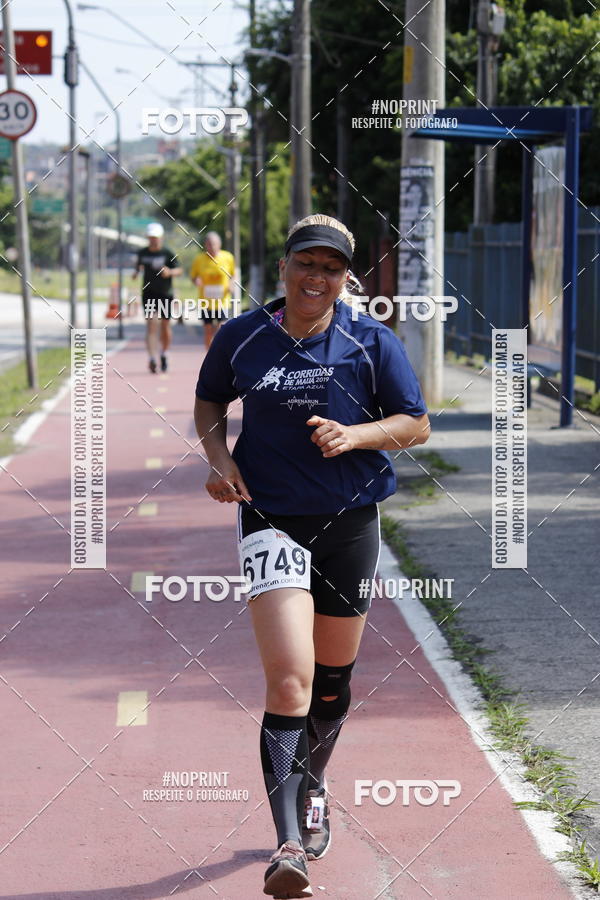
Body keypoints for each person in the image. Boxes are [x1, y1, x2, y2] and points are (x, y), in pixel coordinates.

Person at [194, 214, 430, 899]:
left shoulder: (371, 340)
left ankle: (316, 782)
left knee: (331, 683)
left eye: (331, 268)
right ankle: (288, 842)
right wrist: (218, 459)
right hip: (269, 518)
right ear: (285, 266)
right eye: (306, 263)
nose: (316, 278)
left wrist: (356, 436)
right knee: (291, 682)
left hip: (349, 523)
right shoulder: (243, 336)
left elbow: (415, 423)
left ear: (345, 278)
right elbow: (210, 403)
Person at [133, 223, 182, 373]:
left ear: (161, 238)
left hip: (165, 294)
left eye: (156, 237)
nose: (153, 240)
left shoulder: (167, 253)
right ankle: (152, 358)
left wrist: (170, 272)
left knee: (165, 325)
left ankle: (164, 354)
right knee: (152, 324)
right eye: (151, 237)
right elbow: (138, 266)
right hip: (149, 293)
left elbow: (179, 270)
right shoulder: (142, 253)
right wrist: (135, 273)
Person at [190, 231, 235, 349]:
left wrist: (231, 284)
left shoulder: (228, 257)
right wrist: (196, 281)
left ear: (219, 244)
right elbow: (193, 277)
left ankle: (219, 354)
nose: (212, 247)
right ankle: (209, 355)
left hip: (222, 301)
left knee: (222, 330)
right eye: (209, 244)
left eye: (214, 244)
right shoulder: (199, 259)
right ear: (206, 245)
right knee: (208, 331)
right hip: (206, 302)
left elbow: (233, 275)